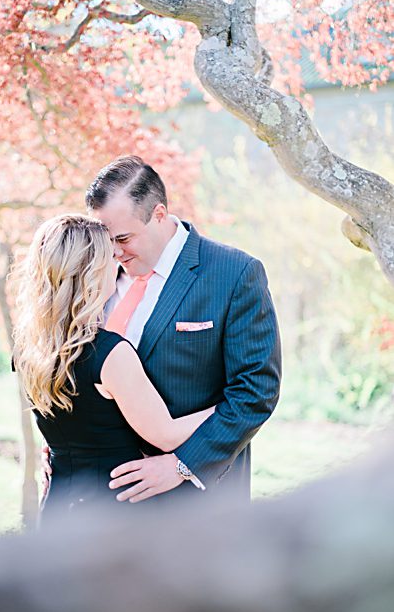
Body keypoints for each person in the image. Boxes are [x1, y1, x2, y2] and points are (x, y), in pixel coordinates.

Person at [87, 155, 281, 502]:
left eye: (123, 238)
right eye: (106, 240)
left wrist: (181, 466)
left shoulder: (234, 274)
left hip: (194, 502)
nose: (114, 252)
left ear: (159, 215)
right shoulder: (94, 274)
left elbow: (255, 392)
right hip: (102, 498)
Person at [12, 214, 216, 518]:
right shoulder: (109, 354)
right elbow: (166, 435)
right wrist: (228, 406)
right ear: (90, 273)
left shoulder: (28, 350)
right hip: (113, 514)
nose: (117, 264)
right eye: (109, 257)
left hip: (58, 507)